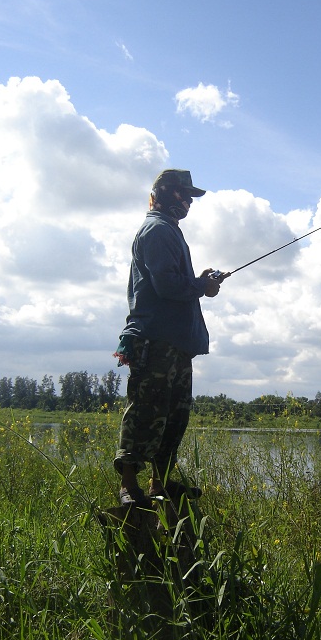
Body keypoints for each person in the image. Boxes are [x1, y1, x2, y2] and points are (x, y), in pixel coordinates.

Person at [113, 169, 227, 507]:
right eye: (183, 194)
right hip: (154, 341)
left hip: (174, 345)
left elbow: (175, 283)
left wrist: (199, 283)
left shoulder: (170, 231)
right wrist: (200, 286)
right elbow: (165, 285)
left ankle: (158, 485)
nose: (189, 201)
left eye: (191, 196)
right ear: (162, 194)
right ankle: (129, 488)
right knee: (146, 412)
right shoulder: (157, 230)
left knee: (175, 418)